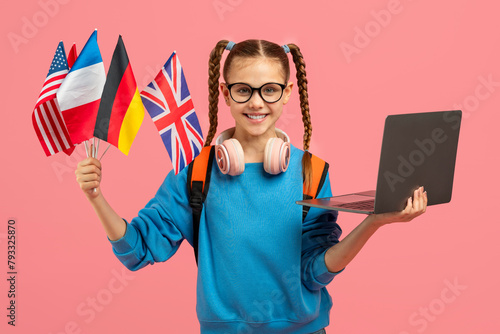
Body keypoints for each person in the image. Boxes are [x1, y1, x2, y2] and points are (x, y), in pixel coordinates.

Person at [75, 39, 427, 334]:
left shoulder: (311, 172)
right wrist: (96, 198)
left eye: (269, 90)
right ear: (226, 94)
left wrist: (373, 222)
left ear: (287, 93)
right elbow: (137, 251)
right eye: (244, 90)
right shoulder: (197, 172)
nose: (256, 102)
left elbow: (315, 271)